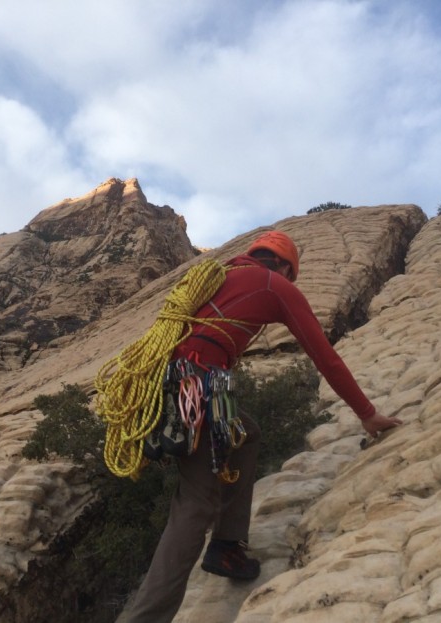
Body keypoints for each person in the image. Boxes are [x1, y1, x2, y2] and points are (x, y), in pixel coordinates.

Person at [123, 230, 402, 622]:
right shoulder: (275, 285)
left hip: (169, 382)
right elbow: (325, 356)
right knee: (195, 503)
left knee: (246, 434)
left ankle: (226, 545)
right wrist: (366, 412)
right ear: (285, 266)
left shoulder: (220, 274)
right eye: (291, 274)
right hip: (197, 388)